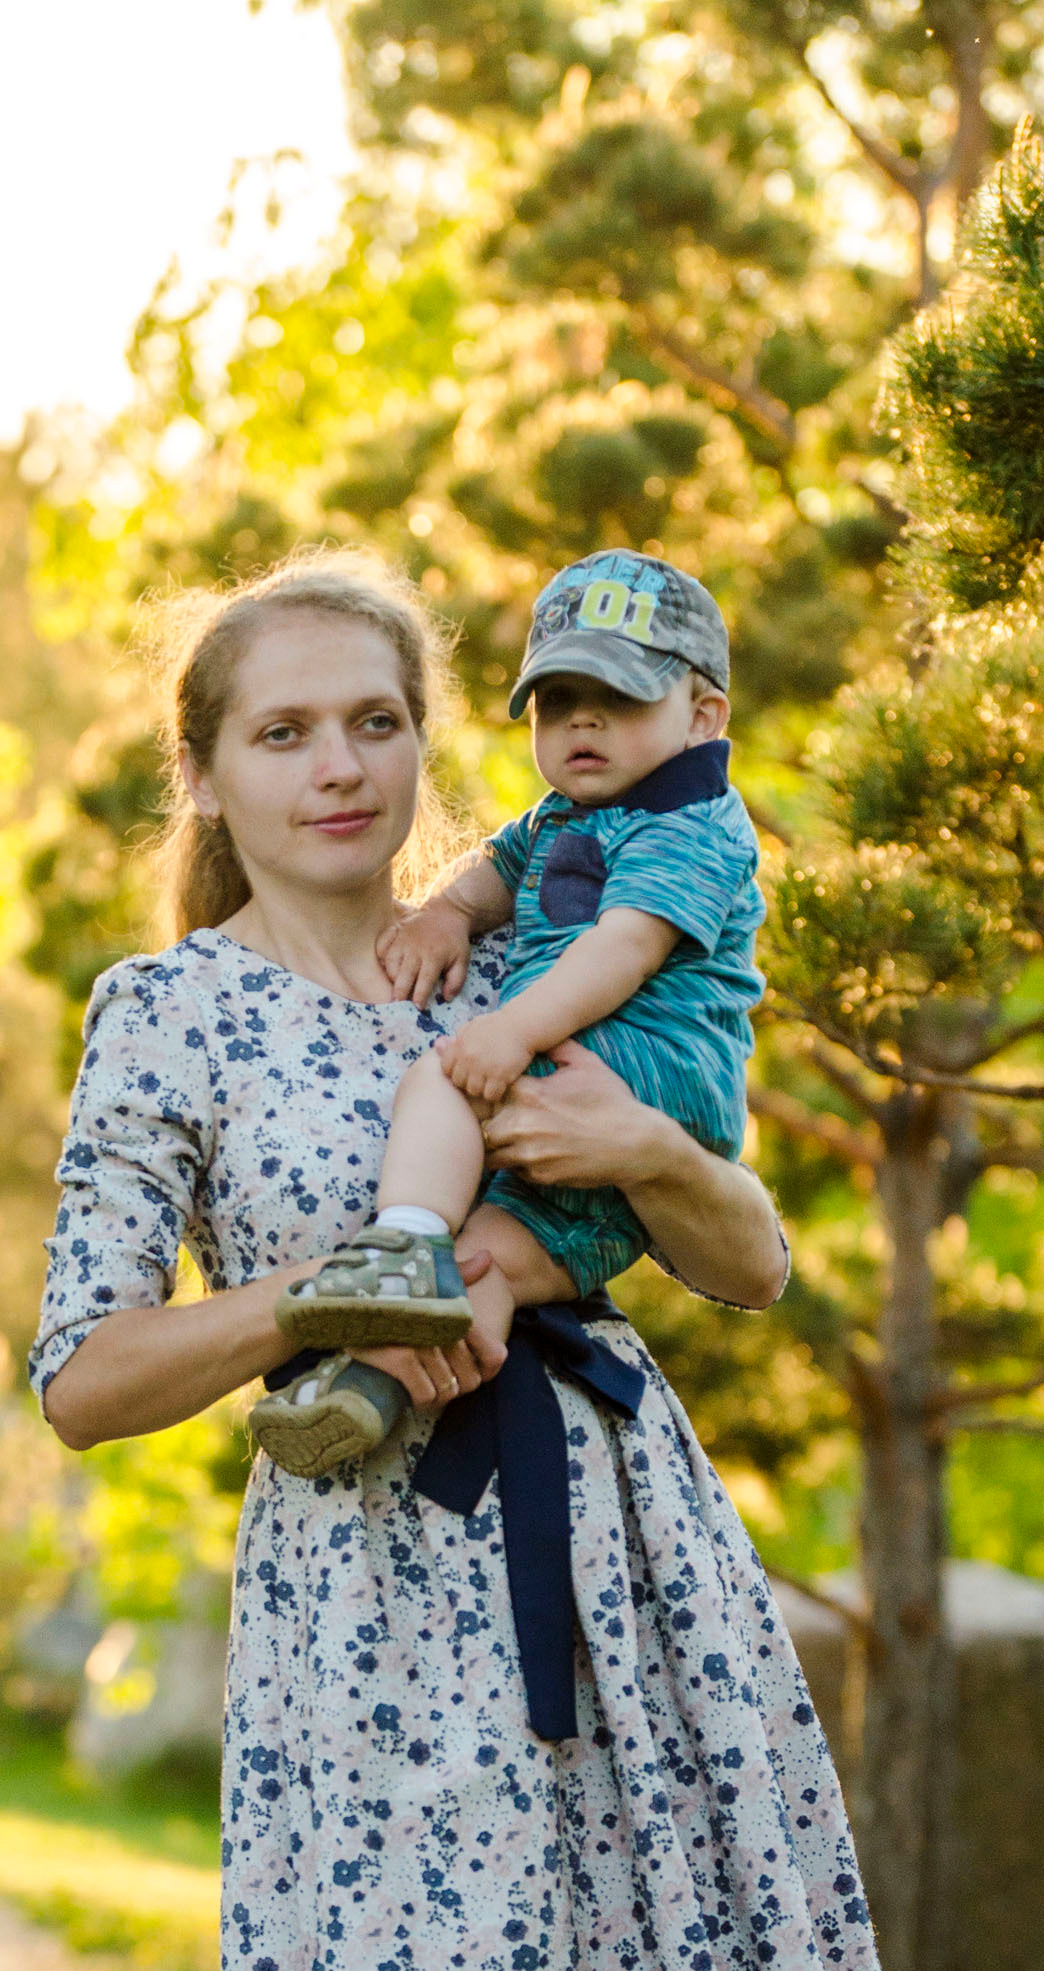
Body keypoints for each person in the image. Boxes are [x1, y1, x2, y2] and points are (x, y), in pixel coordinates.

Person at [33, 550, 886, 1971]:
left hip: (610, 1531)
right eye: (286, 730)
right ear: (211, 775)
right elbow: (88, 1374)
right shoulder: (173, 1009)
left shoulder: (543, 940)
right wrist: (320, 1305)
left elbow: (755, 1255)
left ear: (438, 740)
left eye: (376, 722)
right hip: (383, 1580)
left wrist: (645, 1154)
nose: (341, 766)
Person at [252, 549, 761, 1479]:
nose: (585, 724)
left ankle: (403, 1239)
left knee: (442, 1077)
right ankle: (367, 1395)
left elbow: (625, 946)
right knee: (489, 1262)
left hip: (644, 1062)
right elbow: (497, 868)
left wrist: (509, 1031)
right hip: (608, 1083)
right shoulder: (568, 813)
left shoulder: (689, 819)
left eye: (621, 698)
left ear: (703, 717)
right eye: (559, 703)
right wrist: (447, 912)